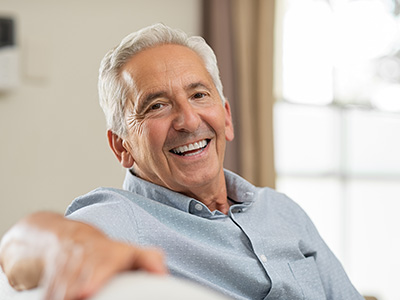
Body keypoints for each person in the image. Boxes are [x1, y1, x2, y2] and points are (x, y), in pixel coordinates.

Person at [0, 23, 363, 300]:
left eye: (199, 95)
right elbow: (17, 248)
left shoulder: (283, 211)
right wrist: (67, 245)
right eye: (156, 105)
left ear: (227, 118)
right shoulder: (122, 217)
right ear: (121, 147)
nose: (188, 121)